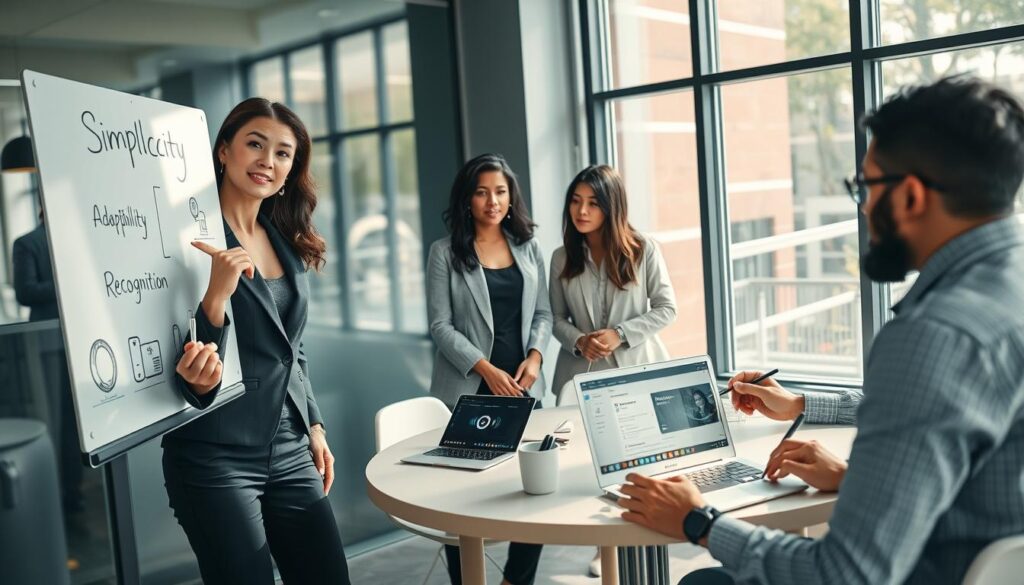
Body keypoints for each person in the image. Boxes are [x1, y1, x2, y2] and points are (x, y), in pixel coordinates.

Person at [617, 76, 1024, 585]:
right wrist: (805, 409)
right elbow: (960, 428)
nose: (864, 207)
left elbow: (844, 574)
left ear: (913, 196)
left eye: (866, 188)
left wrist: (698, 520)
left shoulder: (937, 333)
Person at [161, 97, 350, 585]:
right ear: (224, 151)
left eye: (283, 153)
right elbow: (189, 378)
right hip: (214, 455)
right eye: (255, 144)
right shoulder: (180, 235)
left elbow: (294, 350)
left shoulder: (283, 238)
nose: (268, 160)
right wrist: (216, 297)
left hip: (288, 446)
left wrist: (314, 424)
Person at [426, 152, 552, 585]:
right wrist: (486, 369)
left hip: (522, 389)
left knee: (534, 487)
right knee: (461, 497)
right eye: (481, 192)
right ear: (467, 200)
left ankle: (515, 580)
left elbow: (543, 314)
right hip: (468, 389)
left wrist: (534, 356)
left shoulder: (528, 247)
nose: (492, 201)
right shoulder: (445, 252)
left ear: (511, 197)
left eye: (500, 191)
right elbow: (440, 326)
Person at [549, 164, 677, 576]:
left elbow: (667, 309)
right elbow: (555, 318)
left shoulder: (644, 249)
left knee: (637, 461)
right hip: (582, 376)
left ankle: (641, 533)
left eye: (592, 203)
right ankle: (603, 546)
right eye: (575, 201)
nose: (581, 211)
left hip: (636, 370)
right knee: (593, 466)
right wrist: (578, 339)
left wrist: (621, 334)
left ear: (611, 207)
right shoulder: (562, 257)